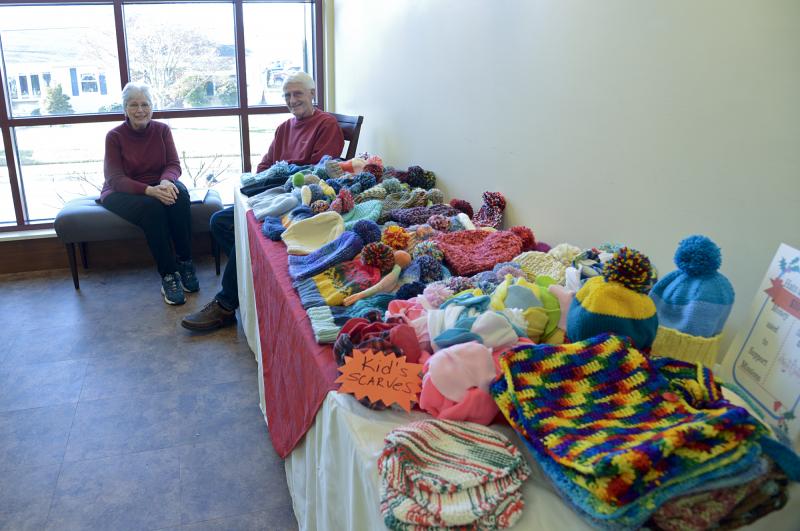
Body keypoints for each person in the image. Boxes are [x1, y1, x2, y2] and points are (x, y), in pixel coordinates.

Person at [181, 71, 344, 331]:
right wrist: (268, 179)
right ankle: (253, 276)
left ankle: (225, 304)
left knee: (245, 228)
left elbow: (318, 171)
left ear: (313, 94)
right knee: (219, 222)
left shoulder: (326, 124)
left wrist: (281, 174)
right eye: (287, 95)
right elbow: (265, 165)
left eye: (298, 94)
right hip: (273, 193)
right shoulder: (284, 128)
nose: (292, 100)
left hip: (299, 200)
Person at [102, 81, 198, 306]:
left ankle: (185, 263)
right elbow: (115, 179)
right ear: (125, 108)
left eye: (145, 104)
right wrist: (149, 190)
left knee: (179, 194)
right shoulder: (114, 136)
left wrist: (166, 181)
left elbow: (174, 164)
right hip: (121, 191)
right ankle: (168, 274)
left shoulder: (162, 130)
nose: (140, 110)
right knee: (152, 207)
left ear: (152, 107)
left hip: (158, 183)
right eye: (133, 105)